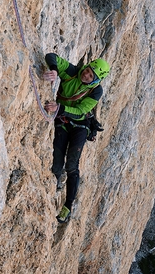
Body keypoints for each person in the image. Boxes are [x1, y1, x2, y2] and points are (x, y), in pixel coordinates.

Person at [43, 53, 110, 223]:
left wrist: (60, 108)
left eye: (90, 76)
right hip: (63, 121)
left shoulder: (96, 91)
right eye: (87, 70)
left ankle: (67, 206)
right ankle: (55, 183)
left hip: (80, 125)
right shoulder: (73, 71)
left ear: (96, 80)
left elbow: (80, 111)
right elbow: (51, 56)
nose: (86, 75)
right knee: (57, 161)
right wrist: (55, 71)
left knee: (72, 164)